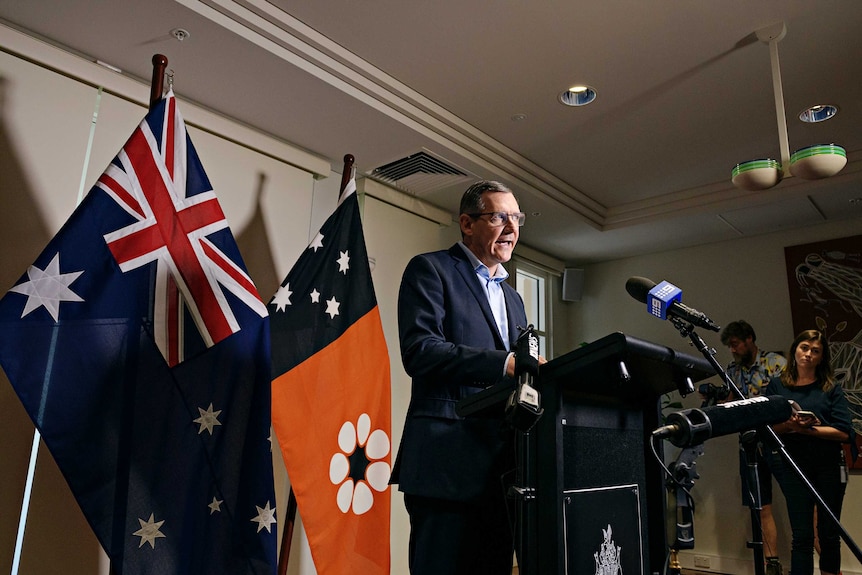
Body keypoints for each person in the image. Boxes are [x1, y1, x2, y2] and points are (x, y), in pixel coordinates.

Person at [391, 180, 542, 575]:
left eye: (517, 218)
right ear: (467, 223)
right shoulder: (431, 270)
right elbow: (420, 351)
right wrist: (504, 363)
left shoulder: (514, 298)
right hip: (446, 462)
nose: (512, 228)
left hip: (502, 467)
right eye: (499, 217)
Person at [766, 330, 854, 575]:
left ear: (821, 357)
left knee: (829, 532)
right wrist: (790, 426)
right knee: (802, 535)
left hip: (829, 465)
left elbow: (845, 432)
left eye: (815, 351)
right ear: (795, 349)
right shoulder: (777, 385)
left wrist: (809, 430)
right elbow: (766, 425)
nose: (808, 354)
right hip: (793, 465)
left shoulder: (830, 387)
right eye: (804, 347)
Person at [720, 320, 788, 575]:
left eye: (735, 344)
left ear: (749, 339)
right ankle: (772, 564)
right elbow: (729, 403)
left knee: (800, 502)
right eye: (729, 346)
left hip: (778, 442)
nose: (733, 350)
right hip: (748, 446)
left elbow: (789, 401)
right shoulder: (732, 370)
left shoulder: (775, 364)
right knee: (761, 506)